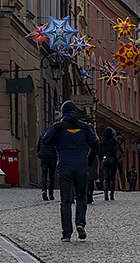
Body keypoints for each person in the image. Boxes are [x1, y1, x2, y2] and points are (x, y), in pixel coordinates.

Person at [41, 100, 98, 241]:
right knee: (81, 198)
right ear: (74, 112)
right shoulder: (84, 127)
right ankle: (80, 224)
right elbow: (95, 145)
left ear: (62, 112)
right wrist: (88, 160)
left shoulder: (58, 126)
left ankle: (66, 234)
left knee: (66, 201)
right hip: (81, 166)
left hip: (65, 166)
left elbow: (45, 140)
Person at [98, 127, 122, 200]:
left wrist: (102, 158)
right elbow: (119, 150)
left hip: (105, 159)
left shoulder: (102, 142)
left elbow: (99, 153)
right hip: (113, 160)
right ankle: (111, 194)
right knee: (112, 178)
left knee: (105, 178)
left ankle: (105, 194)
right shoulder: (114, 142)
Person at [37, 127, 58, 201]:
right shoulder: (54, 136)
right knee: (51, 176)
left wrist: (40, 153)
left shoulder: (42, 135)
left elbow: (38, 147)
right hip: (52, 157)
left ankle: (44, 191)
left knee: (44, 175)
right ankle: (51, 194)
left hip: (43, 157)